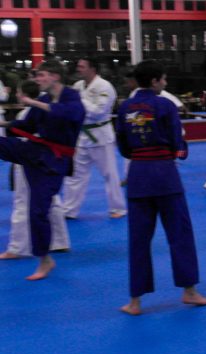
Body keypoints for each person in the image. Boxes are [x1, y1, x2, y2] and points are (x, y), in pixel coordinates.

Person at [116, 60, 206, 316]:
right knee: (180, 234)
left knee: (138, 240)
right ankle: (189, 291)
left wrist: (140, 153)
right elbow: (177, 144)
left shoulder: (125, 108)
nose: (165, 83)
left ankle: (135, 301)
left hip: (138, 176)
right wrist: (176, 152)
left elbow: (123, 146)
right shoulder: (166, 105)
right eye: (164, 79)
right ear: (156, 80)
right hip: (165, 175)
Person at [0, 60, 84, 280]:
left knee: (37, 212)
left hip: (54, 162)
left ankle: (45, 260)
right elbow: (26, 126)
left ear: (55, 76)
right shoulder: (44, 99)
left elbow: (69, 115)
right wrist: (4, 125)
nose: (37, 79)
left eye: (42, 75)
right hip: (35, 152)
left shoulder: (72, 97)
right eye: (37, 76)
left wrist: (31, 102)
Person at [1, 80, 70, 260]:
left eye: (18, 92)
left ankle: (17, 248)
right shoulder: (44, 109)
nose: (16, 95)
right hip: (47, 161)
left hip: (30, 160)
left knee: (22, 202)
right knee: (50, 201)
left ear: (24, 95)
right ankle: (59, 241)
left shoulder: (28, 114)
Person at [60, 57, 127, 220]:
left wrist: (79, 100)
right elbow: (72, 109)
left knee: (109, 174)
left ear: (92, 69)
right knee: (74, 174)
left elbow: (98, 112)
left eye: (82, 66)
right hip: (81, 136)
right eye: (78, 66)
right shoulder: (77, 86)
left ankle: (117, 208)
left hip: (100, 136)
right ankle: (69, 209)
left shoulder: (105, 87)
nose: (78, 69)